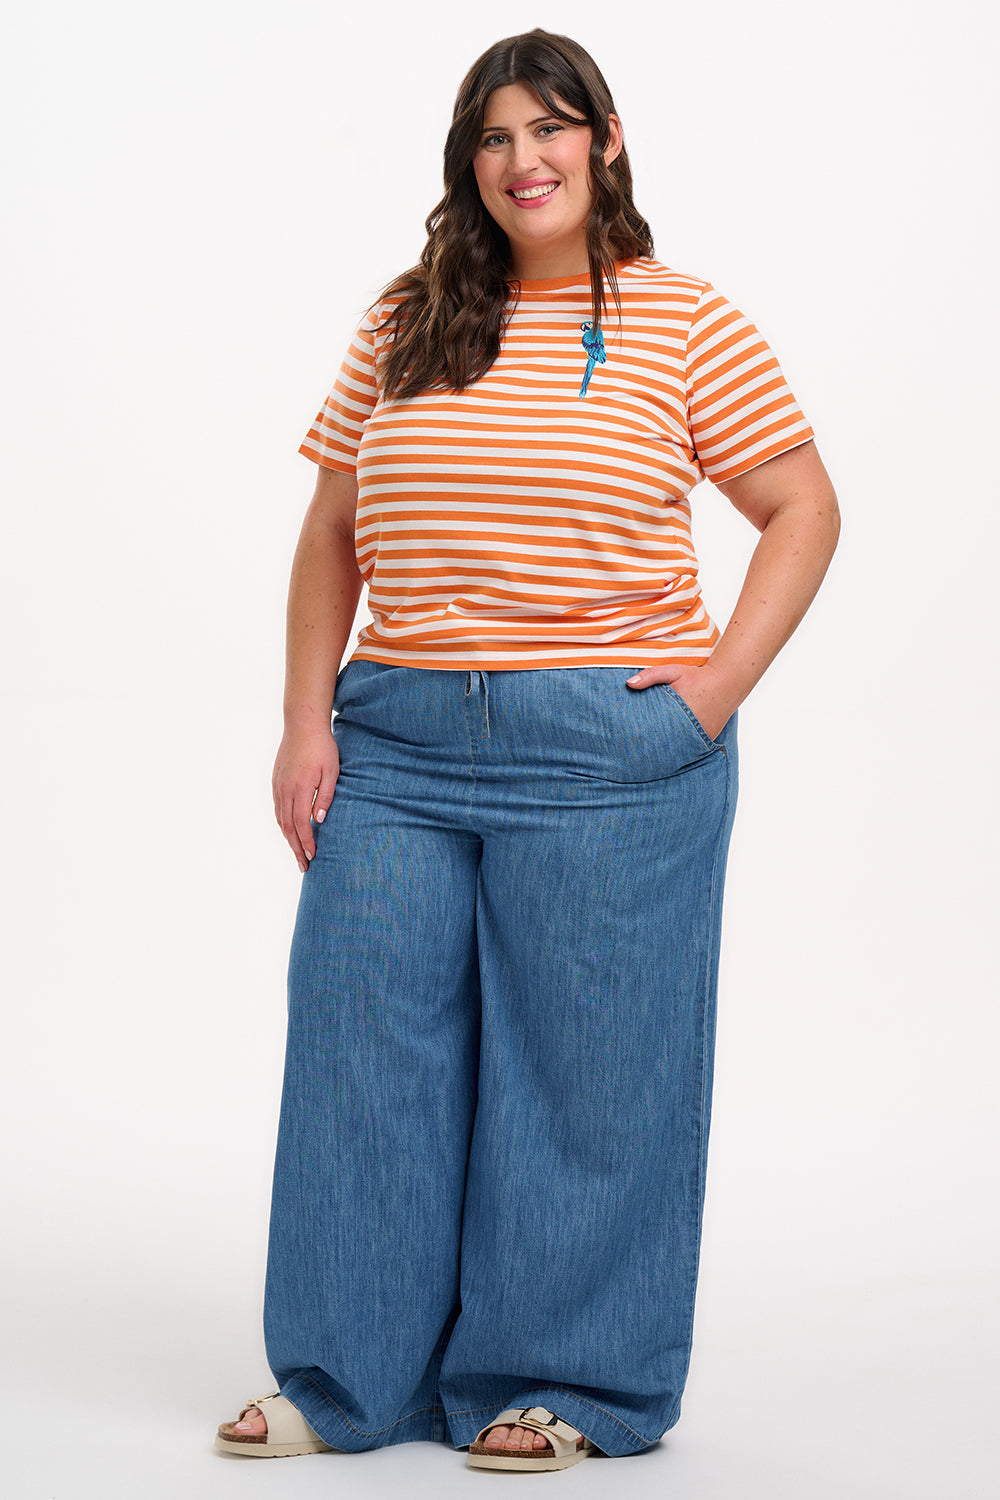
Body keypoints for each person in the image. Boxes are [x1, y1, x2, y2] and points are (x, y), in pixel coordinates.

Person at [214, 26, 840, 1473]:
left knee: (592, 1075)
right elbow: (331, 535)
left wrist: (713, 690)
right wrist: (307, 723)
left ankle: (564, 1380)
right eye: (495, 138)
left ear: (606, 143)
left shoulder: (689, 323)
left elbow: (804, 510)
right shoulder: (406, 319)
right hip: (402, 741)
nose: (524, 160)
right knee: (363, 1052)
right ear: (469, 163)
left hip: (604, 750)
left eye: (551, 130)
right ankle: (350, 1377)